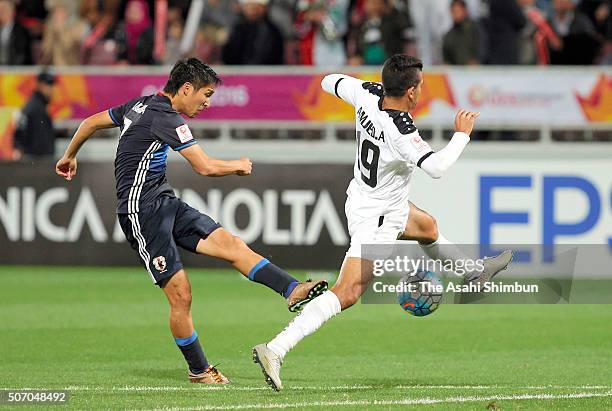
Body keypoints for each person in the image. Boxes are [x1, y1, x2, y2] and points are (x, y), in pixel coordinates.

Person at [55, 58, 327, 384]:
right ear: (186, 88)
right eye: (205, 94)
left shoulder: (141, 104)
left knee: (231, 244)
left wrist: (69, 155)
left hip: (165, 203)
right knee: (181, 295)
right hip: (141, 213)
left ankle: (292, 288)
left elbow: (89, 122)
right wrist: (238, 166)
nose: (207, 103)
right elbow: (206, 167)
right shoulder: (166, 118)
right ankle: (199, 370)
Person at [252, 54, 513, 391]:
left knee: (427, 227)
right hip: (378, 217)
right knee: (348, 292)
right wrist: (461, 135)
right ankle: (276, 348)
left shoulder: (367, 93)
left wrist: (359, 87)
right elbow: (435, 168)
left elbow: (327, 81)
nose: (421, 91)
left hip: (365, 198)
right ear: (411, 92)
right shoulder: (401, 129)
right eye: (420, 85)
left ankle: (473, 273)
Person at [222, 0, 284, 65]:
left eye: (256, 6)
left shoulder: (272, 31)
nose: (253, 10)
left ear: (265, 8)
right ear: (243, 8)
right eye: (249, 6)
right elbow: (229, 56)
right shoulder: (236, 29)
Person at [13, 72, 56, 161]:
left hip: (38, 159)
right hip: (34, 160)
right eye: (48, 85)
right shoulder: (33, 107)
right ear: (40, 85)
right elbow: (20, 130)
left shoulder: (40, 105)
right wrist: (19, 147)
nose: (51, 89)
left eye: (52, 85)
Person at [443, 0, 481, 65]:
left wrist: (477, 60)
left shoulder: (475, 29)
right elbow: (446, 58)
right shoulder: (449, 35)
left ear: (465, 11)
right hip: (457, 73)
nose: (455, 14)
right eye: (453, 11)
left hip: (477, 72)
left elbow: (483, 48)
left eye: (458, 11)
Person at [0, 0, 32, 65]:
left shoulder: (21, 31)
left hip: (14, 70)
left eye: (3, 9)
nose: (1, 12)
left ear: (12, 12)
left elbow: (22, 54)